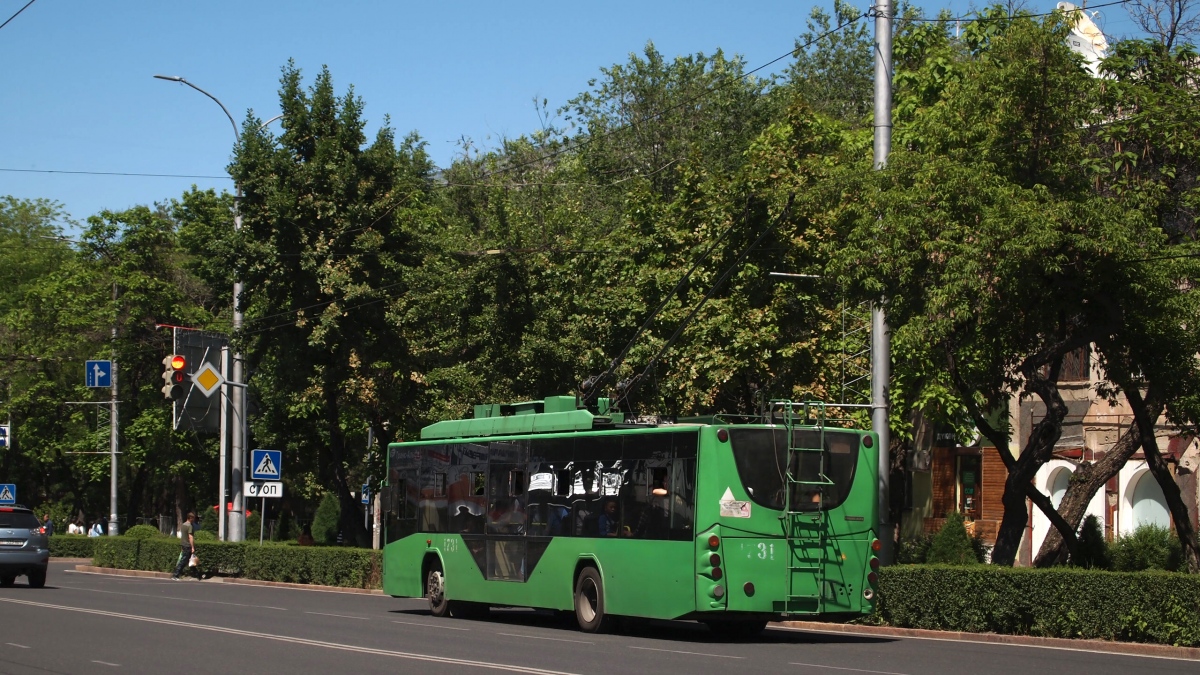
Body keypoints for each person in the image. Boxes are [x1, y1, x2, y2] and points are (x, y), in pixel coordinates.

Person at [171, 512, 197, 581]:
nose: (193, 520)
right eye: (193, 518)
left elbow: (183, 536)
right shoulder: (189, 526)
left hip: (183, 544)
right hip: (188, 545)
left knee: (191, 560)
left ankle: (196, 574)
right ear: (190, 518)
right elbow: (190, 537)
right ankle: (175, 575)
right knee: (183, 561)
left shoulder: (183, 525)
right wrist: (193, 547)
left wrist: (182, 545)